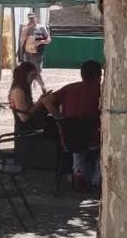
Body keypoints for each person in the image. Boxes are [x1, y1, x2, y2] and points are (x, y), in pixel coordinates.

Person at [40, 59, 103, 188]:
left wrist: (59, 117)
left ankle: (78, 173)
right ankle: (96, 180)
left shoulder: (69, 88)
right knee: (100, 145)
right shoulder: (100, 91)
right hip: (93, 138)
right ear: (98, 76)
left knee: (77, 142)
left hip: (70, 138)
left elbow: (46, 101)